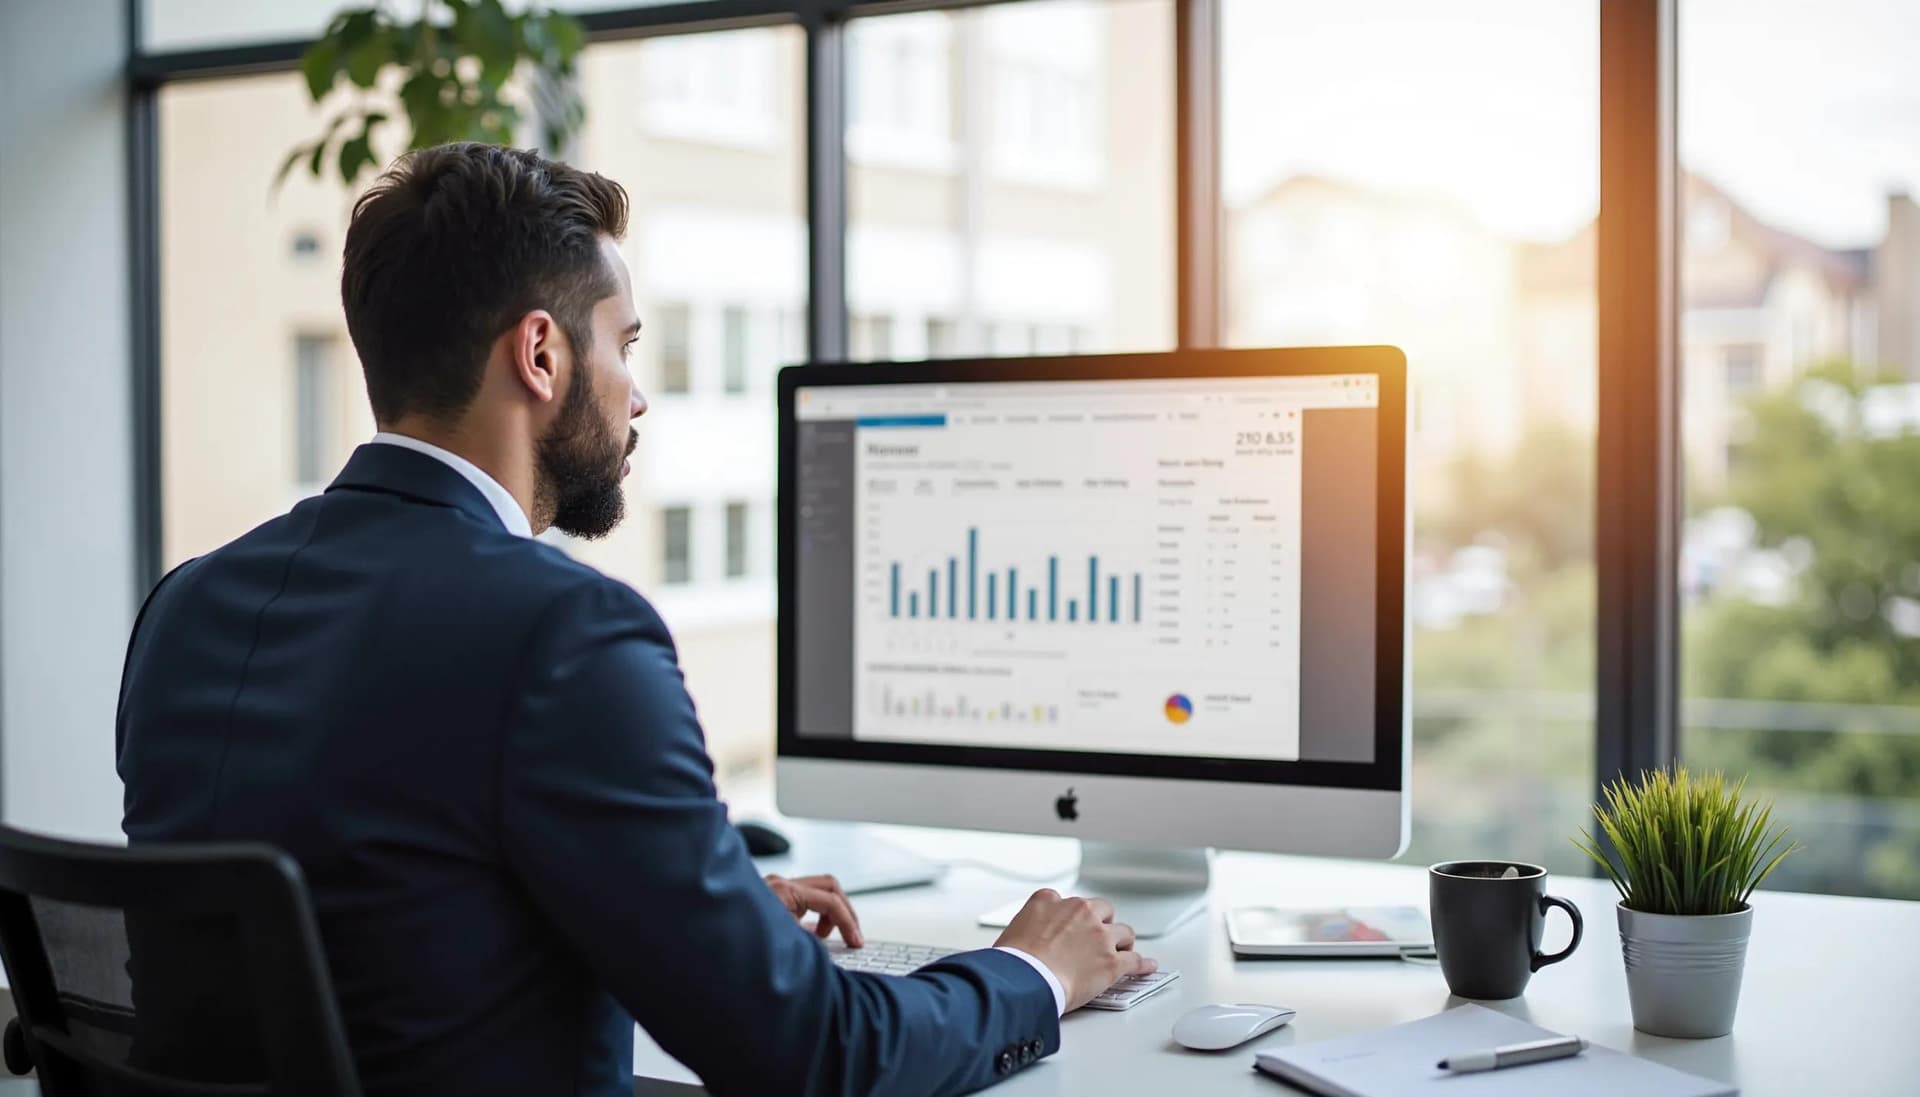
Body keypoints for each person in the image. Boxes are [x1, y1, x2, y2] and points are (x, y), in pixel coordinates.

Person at [115, 142, 1152, 1097]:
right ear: (540, 354)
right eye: (626, 343)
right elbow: (816, 1052)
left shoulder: (189, 603)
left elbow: (378, 891)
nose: (640, 395)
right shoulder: (562, 632)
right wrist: (1031, 970)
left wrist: (684, 897)